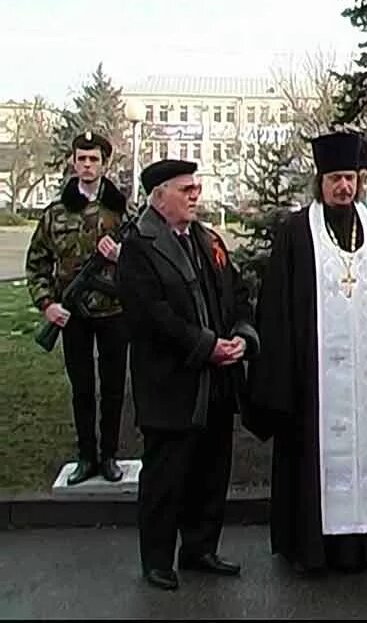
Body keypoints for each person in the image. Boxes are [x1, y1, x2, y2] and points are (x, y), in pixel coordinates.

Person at [244, 130, 367, 575]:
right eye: (334, 180)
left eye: (350, 178)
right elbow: (278, 308)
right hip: (315, 380)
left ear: (359, 179)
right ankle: (313, 549)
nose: (343, 187)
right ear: (320, 182)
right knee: (315, 459)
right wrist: (283, 374)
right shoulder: (296, 232)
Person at [117, 159, 259, 591]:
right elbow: (151, 317)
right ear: (159, 198)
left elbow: (238, 295)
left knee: (211, 469)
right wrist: (204, 346)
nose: (195, 195)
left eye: (196, 188)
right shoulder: (140, 247)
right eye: (185, 190)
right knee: (166, 476)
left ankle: (200, 548)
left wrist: (241, 338)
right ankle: (157, 559)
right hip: (170, 383)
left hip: (217, 380)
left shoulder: (208, 239)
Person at [25, 131, 132, 485]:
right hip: (72, 316)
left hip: (114, 310)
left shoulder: (121, 210)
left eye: (94, 159)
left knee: (114, 388)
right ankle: (86, 456)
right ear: (73, 161)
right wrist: (47, 305)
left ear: (104, 164)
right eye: (81, 158)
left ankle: (111, 455)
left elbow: (146, 258)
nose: (87, 165)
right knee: (82, 388)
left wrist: (121, 256)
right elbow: (37, 263)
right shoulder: (55, 213)